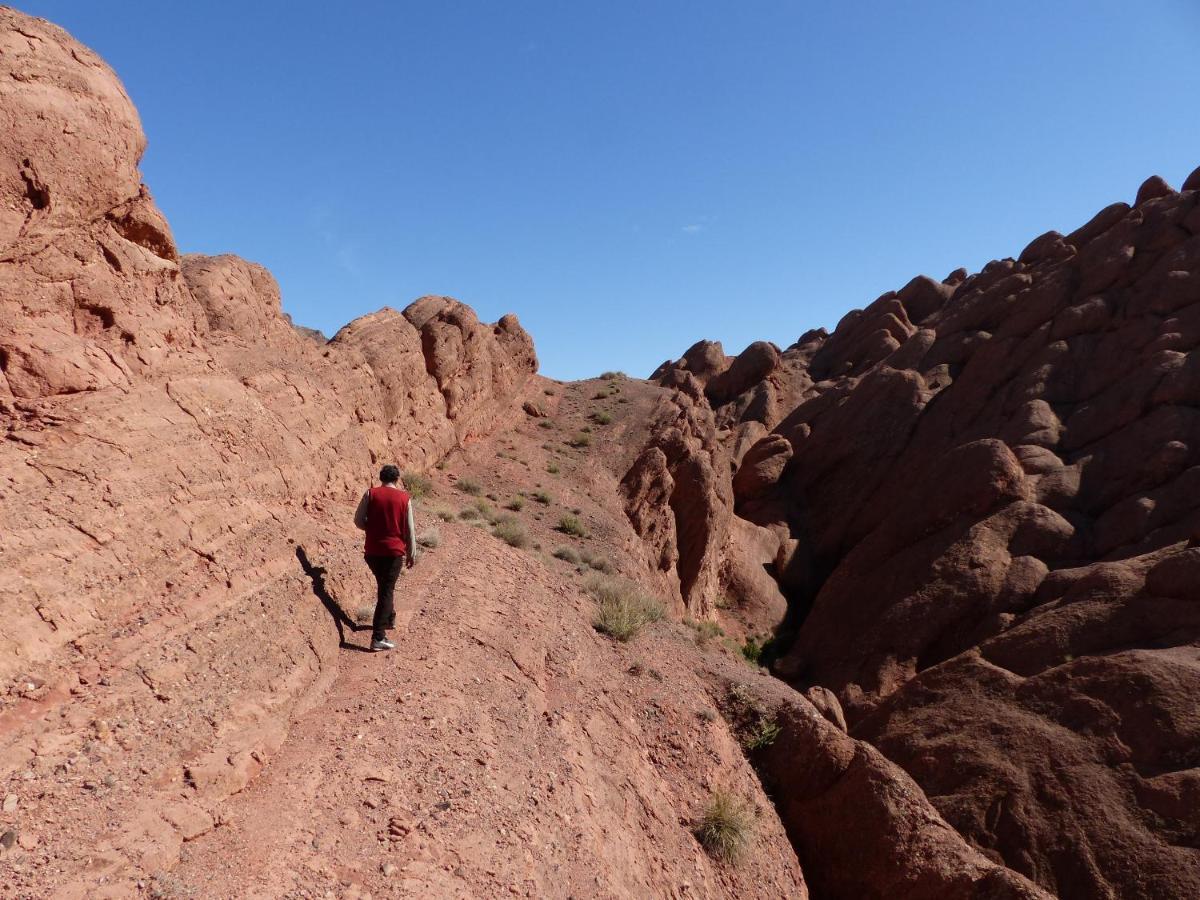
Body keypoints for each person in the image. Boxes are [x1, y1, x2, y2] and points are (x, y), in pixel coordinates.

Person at [353, 464, 417, 651]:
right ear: (397, 479)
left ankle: (388, 619)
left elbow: (358, 520)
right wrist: (412, 553)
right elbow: (410, 530)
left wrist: (372, 530)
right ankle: (378, 638)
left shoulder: (370, 494)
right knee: (386, 591)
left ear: (381, 478)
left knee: (385, 587)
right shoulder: (404, 499)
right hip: (393, 553)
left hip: (372, 552)